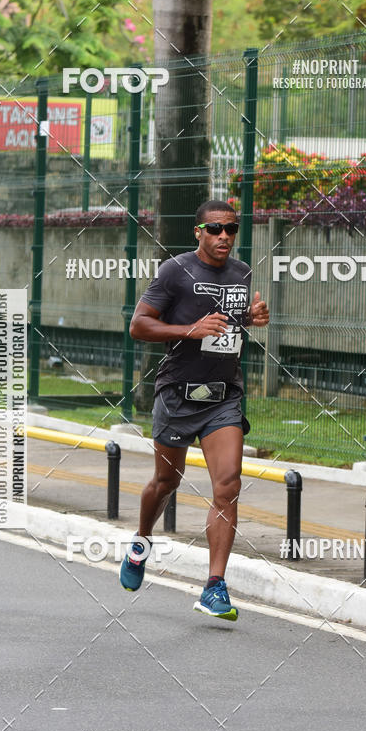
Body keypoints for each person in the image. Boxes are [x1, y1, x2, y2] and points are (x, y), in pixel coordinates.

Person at [120, 199, 269, 621]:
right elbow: (138, 325)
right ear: (198, 232)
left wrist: (253, 317)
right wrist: (188, 329)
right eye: (216, 228)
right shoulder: (175, 271)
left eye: (232, 229)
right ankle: (141, 543)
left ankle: (214, 586)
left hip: (223, 395)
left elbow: (231, 325)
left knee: (228, 485)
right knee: (167, 481)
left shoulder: (242, 274)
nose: (225, 236)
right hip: (179, 394)